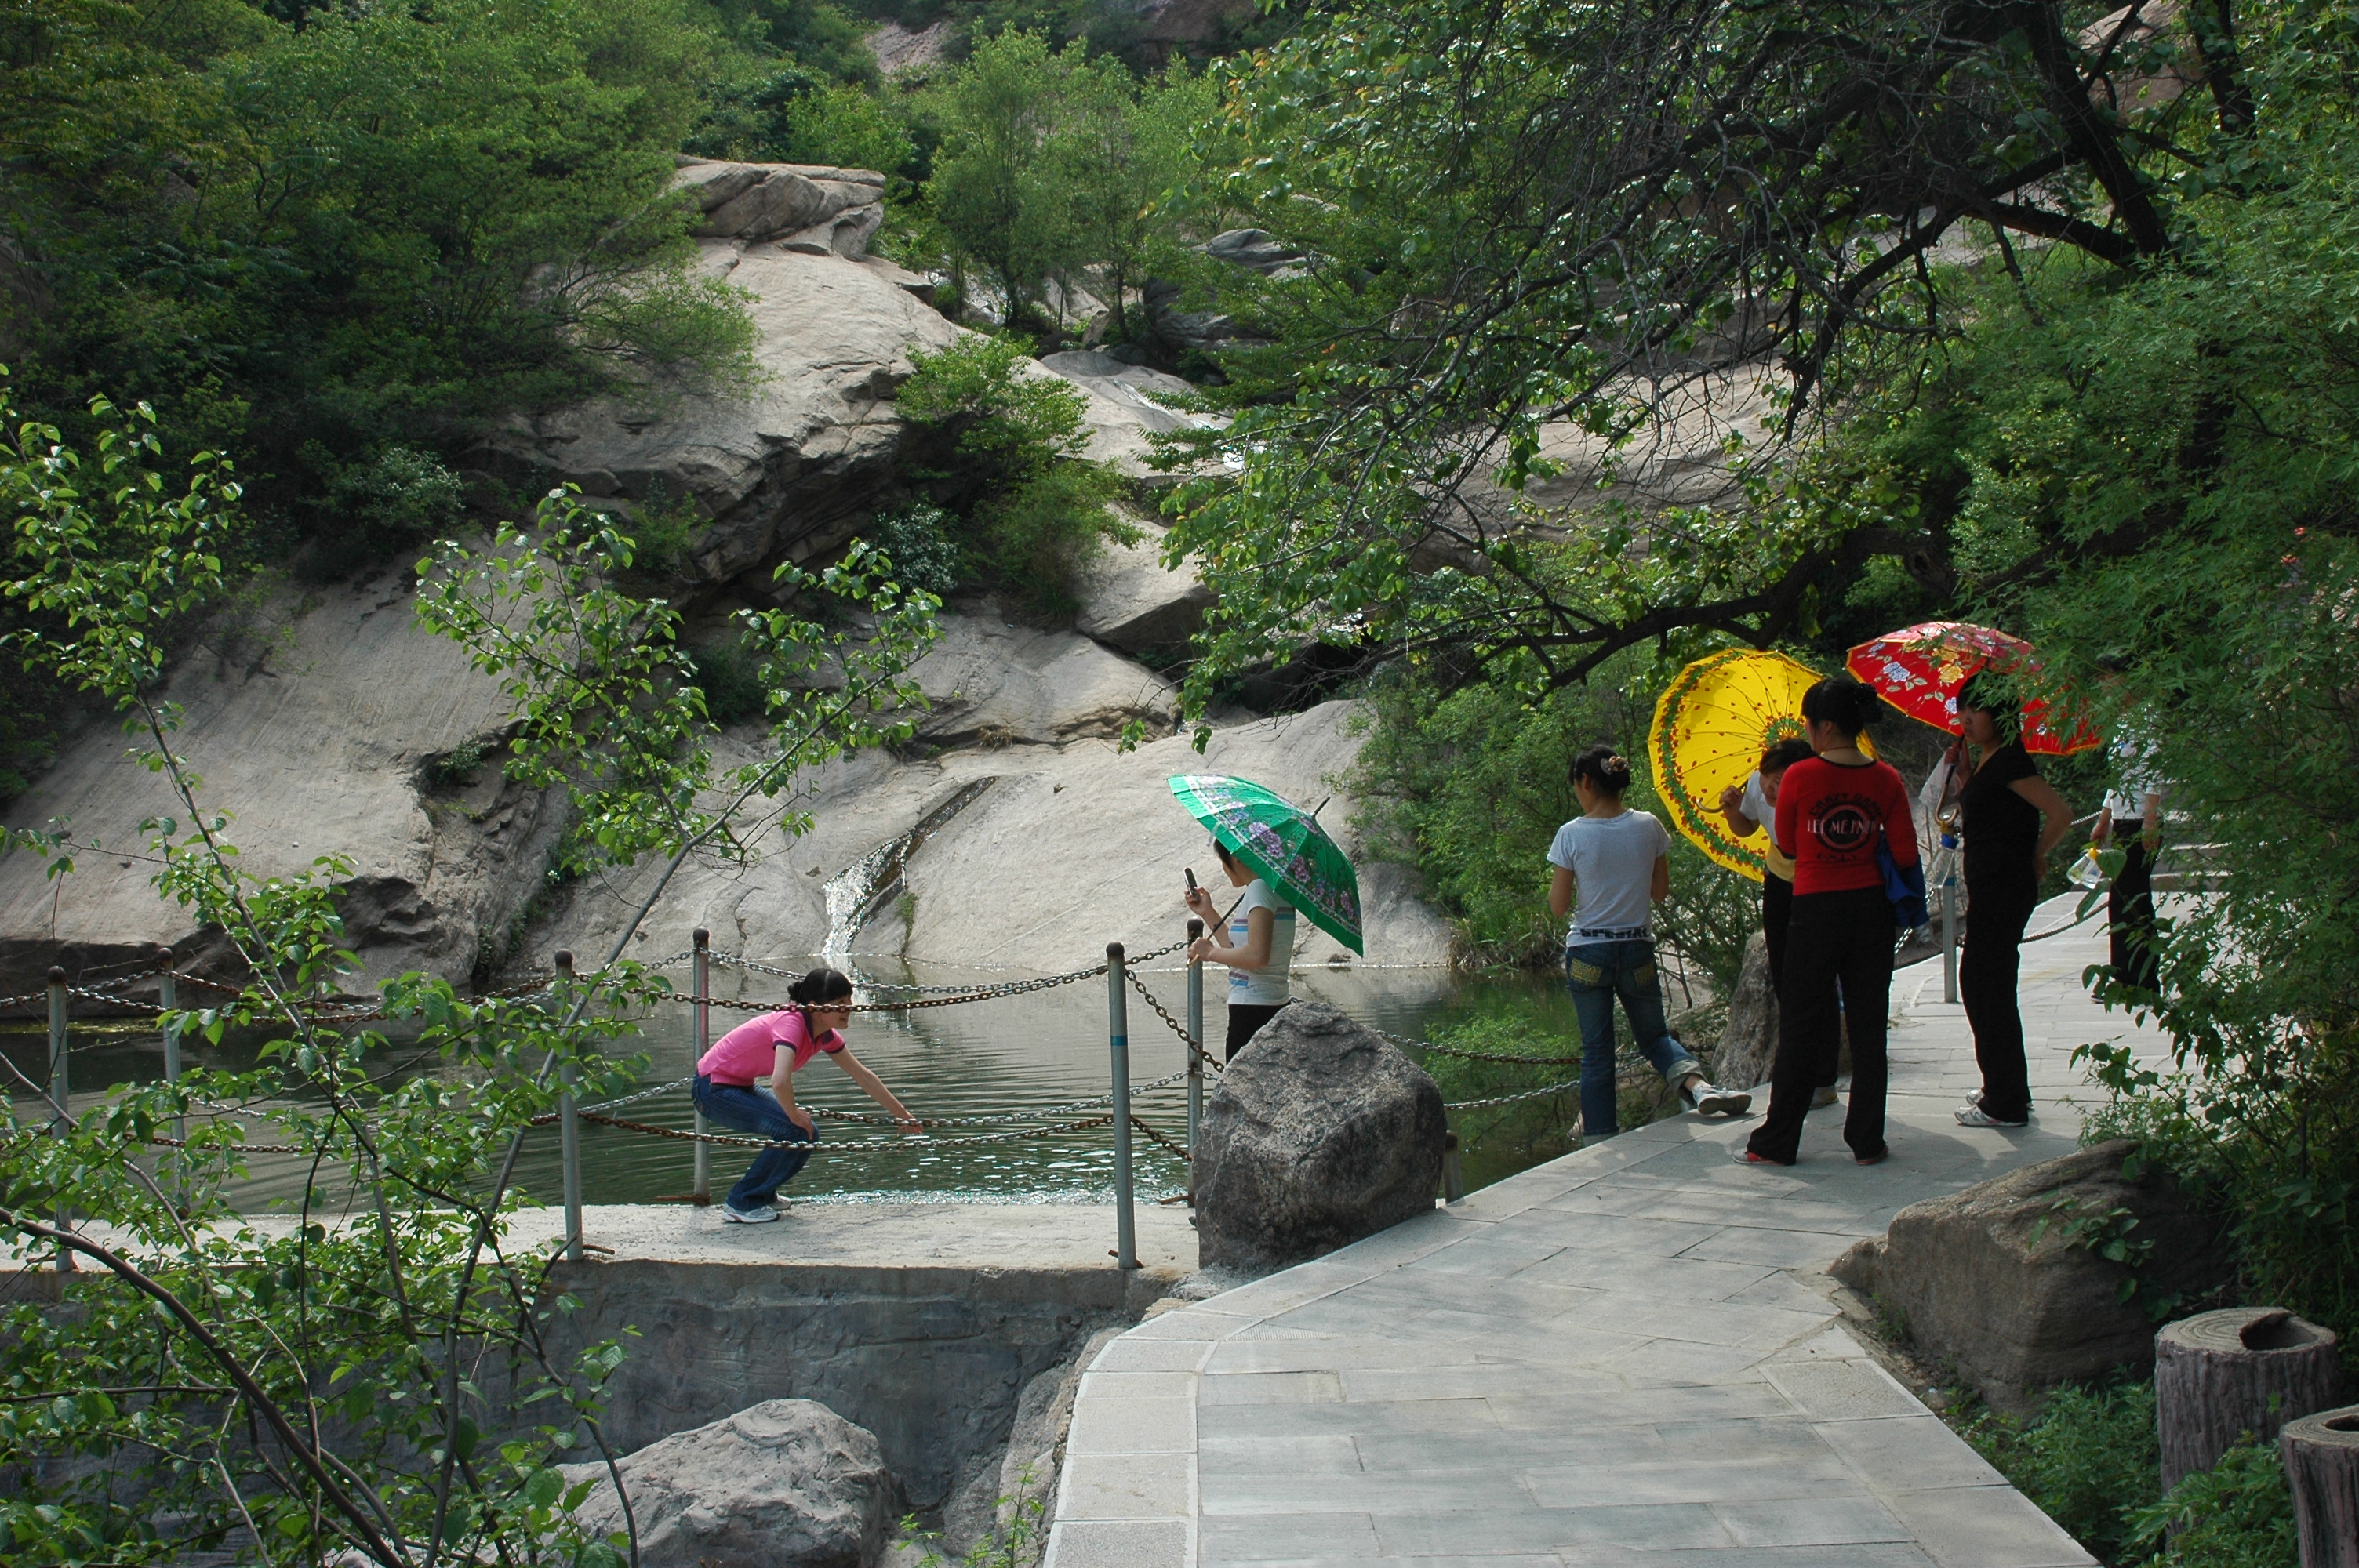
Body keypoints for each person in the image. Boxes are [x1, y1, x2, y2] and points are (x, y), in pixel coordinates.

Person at [1740, 677, 1917, 1167]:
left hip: (1815, 909)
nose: (1808, 733)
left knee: (1801, 1023)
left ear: (1827, 726)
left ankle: (1777, 1142)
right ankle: (1867, 1141)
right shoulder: (1887, 779)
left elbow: (1792, 846)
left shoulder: (1800, 777)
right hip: (1871, 911)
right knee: (1866, 1027)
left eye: (1810, 725)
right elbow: (1904, 851)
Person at [1548, 745, 1750, 1139]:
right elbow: (1660, 892)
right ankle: (1700, 1087)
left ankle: (1600, 1136)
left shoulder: (1571, 834)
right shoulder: (1649, 826)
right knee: (1655, 1036)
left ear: (1586, 782)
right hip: (1637, 947)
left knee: (1597, 1050)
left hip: (1588, 952)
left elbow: (1558, 907)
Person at [691, 966, 921, 1223]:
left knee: (807, 1131)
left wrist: (902, 1115)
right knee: (794, 1129)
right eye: (840, 1003)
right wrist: (794, 1114)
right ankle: (741, 1202)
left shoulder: (823, 1035)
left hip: (737, 1084)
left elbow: (863, 1076)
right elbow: (780, 1081)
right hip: (712, 1087)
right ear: (815, 1007)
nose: (849, 1008)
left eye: (849, 1000)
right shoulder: (791, 1024)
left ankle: (762, 1193)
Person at [1950, 674, 2075, 1131]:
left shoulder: (2010, 762)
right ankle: (2004, 1086)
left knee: (1988, 985)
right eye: (1962, 708)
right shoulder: (1986, 761)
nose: (1966, 719)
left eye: (1975, 710)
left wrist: (2036, 855)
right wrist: (1963, 773)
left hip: (2004, 885)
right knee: (1982, 982)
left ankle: (2004, 1101)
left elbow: (2060, 813)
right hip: (1989, 883)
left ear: (2000, 715)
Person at [1718, 736, 1841, 1108]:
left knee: (1818, 978)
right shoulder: (1758, 784)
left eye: (1780, 780)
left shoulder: (1816, 791)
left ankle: (1823, 1078)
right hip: (1777, 878)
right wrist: (1732, 811)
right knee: (1785, 973)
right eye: (1768, 777)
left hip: (1816, 878)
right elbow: (1746, 828)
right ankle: (1799, 1072)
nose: (1771, 787)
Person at [1184, 839, 1298, 1061]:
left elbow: (1257, 956)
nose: (1224, 868)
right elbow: (1238, 953)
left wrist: (1210, 953)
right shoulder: (1274, 887)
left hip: (1252, 1010)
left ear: (1236, 858)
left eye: (1223, 861)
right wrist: (1207, 912)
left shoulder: (1259, 888)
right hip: (1272, 1005)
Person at [2094, 722, 2165, 993]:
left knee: (2133, 899)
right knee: (2121, 899)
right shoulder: (2120, 724)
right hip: (2124, 820)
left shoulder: (2147, 720)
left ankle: (2142, 980)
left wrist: (2150, 819)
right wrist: (2104, 819)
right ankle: (2125, 975)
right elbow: (2118, 779)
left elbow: (2154, 772)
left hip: (2140, 821)